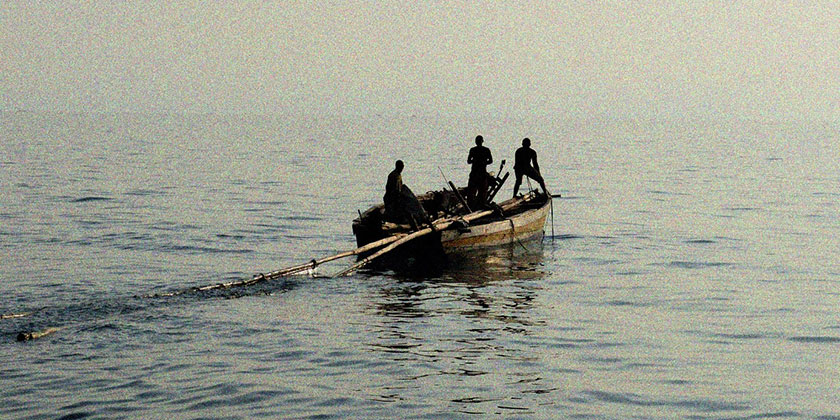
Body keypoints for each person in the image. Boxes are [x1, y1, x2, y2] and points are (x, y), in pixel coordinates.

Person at [466, 135, 493, 208]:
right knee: (482, 190)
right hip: (482, 173)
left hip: (474, 173)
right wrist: (483, 162)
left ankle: (471, 205)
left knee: (472, 190)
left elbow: (468, 161)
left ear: (476, 142)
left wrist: (475, 161)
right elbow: (490, 161)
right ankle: (481, 204)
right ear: (482, 141)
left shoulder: (472, 150)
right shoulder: (486, 150)